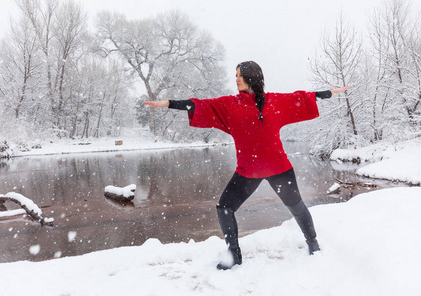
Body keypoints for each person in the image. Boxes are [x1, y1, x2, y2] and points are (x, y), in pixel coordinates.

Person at [144, 61, 350, 270]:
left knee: (296, 206)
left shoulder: (274, 101)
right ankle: (234, 255)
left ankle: (312, 243)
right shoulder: (229, 105)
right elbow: (200, 105)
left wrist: (328, 92)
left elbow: (302, 97)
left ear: (252, 76)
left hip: (278, 168)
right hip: (248, 170)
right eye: (235, 76)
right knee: (224, 207)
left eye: (240, 75)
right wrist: (169, 103)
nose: (237, 79)